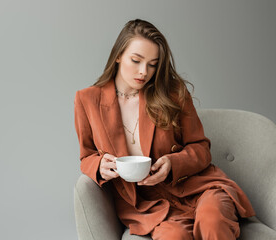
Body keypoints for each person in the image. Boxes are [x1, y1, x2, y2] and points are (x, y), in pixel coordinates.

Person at [74, 19, 255, 240]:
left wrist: (173, 164)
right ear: (119, 55)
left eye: (153, 64)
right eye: (136, 60)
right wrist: (99, 165)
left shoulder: (172, 93)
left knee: (212, 220)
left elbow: (201, 148)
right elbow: (86, 156)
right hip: (147, 204)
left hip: (197, 187)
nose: (144, 72)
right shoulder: (88, 100)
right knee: (173, 236)